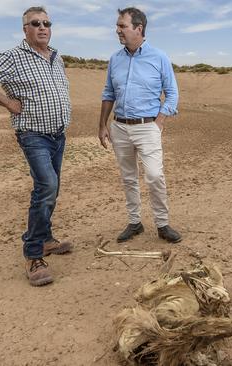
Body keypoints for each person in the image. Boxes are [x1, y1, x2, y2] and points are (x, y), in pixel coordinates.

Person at [0, 6, 72, 286]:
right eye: (35, 23)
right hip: (33, 134)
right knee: (46, 186)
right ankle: (33, 253)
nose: (42, 27)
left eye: (46, 22)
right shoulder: (13, 57)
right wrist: (8, 103)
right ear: (25, 29)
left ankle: (46, 239)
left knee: (53, 186)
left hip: (58, 134)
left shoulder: (56, 57)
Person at [98, 7, 182, 244]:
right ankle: (134, 223)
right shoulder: (115, 59)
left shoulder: (159, 57)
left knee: (155, 175)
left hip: (148, 127)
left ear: (139, 28)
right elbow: (108, 93)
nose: (118, 31)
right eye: (118, 26)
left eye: (122, 26)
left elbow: (172, 93)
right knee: (128, 177)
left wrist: (160, 120)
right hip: (120, 127)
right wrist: (102, 125)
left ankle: (163, 224)